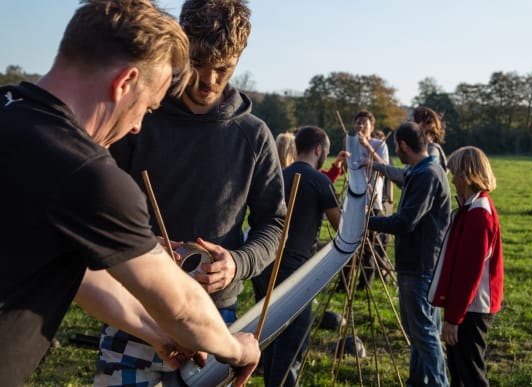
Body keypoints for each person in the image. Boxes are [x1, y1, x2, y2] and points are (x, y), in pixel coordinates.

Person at [0, 1, 259, 386]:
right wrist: (237, 347)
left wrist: (157, 333)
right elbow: (182, 306)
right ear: (125, 83)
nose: (138, 126)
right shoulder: (86, 174)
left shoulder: (9, 112)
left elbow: (85, 276)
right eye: (147, 106)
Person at [98, 0, 286, 384]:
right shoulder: (140, 118)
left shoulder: (253, 136)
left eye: (223, 69)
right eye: (198, 65)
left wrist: (238, 262)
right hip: (132, 309)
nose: (209, 81)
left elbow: (274, 224)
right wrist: (141, 246)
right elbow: (98, 205)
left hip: (215, 318)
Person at [253, 126, 341, 387]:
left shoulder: (278, 176)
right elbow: (343, 229)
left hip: (264, 265)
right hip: (292, 273)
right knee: (293, 340)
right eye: (325, 151)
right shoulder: (319, 181)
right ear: (318, 149)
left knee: (268, 336)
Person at [368, 121, 451, 386]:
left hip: (420, 266)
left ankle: (439, 383)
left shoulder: (427, 175)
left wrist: (366, 221)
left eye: (397, 147)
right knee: (419, 333)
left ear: (403, 146)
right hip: (420, 265)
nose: (397, 151)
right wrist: (379, 167)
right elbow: (403, 178)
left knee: (424, 333)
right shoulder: (423, 171)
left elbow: (405, 222)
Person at [428, 146, 504, 386]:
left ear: (467, 175)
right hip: (467, 307)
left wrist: (453, 319)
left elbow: (468, 273)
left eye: (455, 174)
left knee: (471, 373)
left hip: (472, 308)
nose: (452, 179)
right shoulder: (472, 208)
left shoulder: (478, 215)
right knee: (459, 371)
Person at [344, 110, 390, 290]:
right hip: (353, 199)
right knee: (348, 243)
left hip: (372, 201)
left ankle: (365, 285)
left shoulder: (379, 144)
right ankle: (344, 283)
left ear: (372, 126)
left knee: (369, 246)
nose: (360, 126)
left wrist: (368, 149)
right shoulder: (350, 142)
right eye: (358, 123)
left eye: (364, 123)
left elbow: (385, 167)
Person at [275, 131, 349, 182]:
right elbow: (324, 179)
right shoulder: (301, 170)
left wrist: (337, 163)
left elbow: (324, 178)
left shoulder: (271, 172)